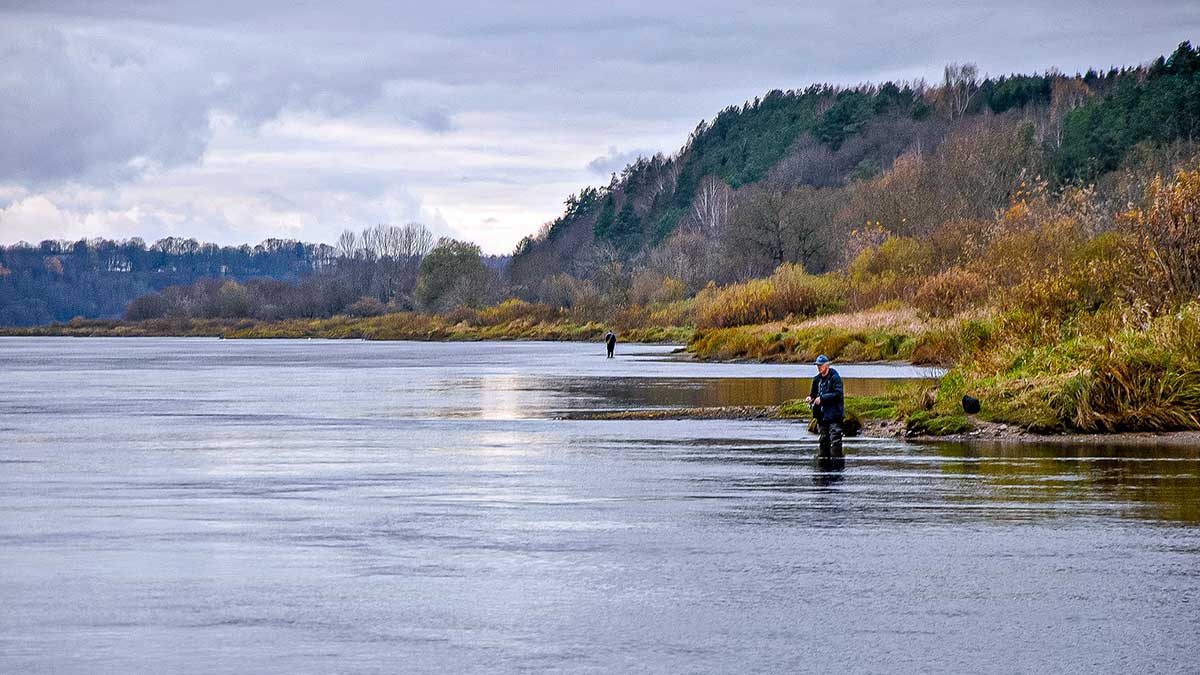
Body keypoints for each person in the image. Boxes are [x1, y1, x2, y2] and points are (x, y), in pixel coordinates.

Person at [805, 354, 844, 458]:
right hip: (821, 416)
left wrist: (822, 398)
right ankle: (823, 467)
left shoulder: (835, 378)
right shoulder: (816, 379)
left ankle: (836, 466)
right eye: (818, 365)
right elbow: (813, 394)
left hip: (834, 414)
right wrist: (810, 398)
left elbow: (838, 394)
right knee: (823, 440)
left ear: (827, 365)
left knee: (835, 439)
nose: (819, 367)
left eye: (821, 365)